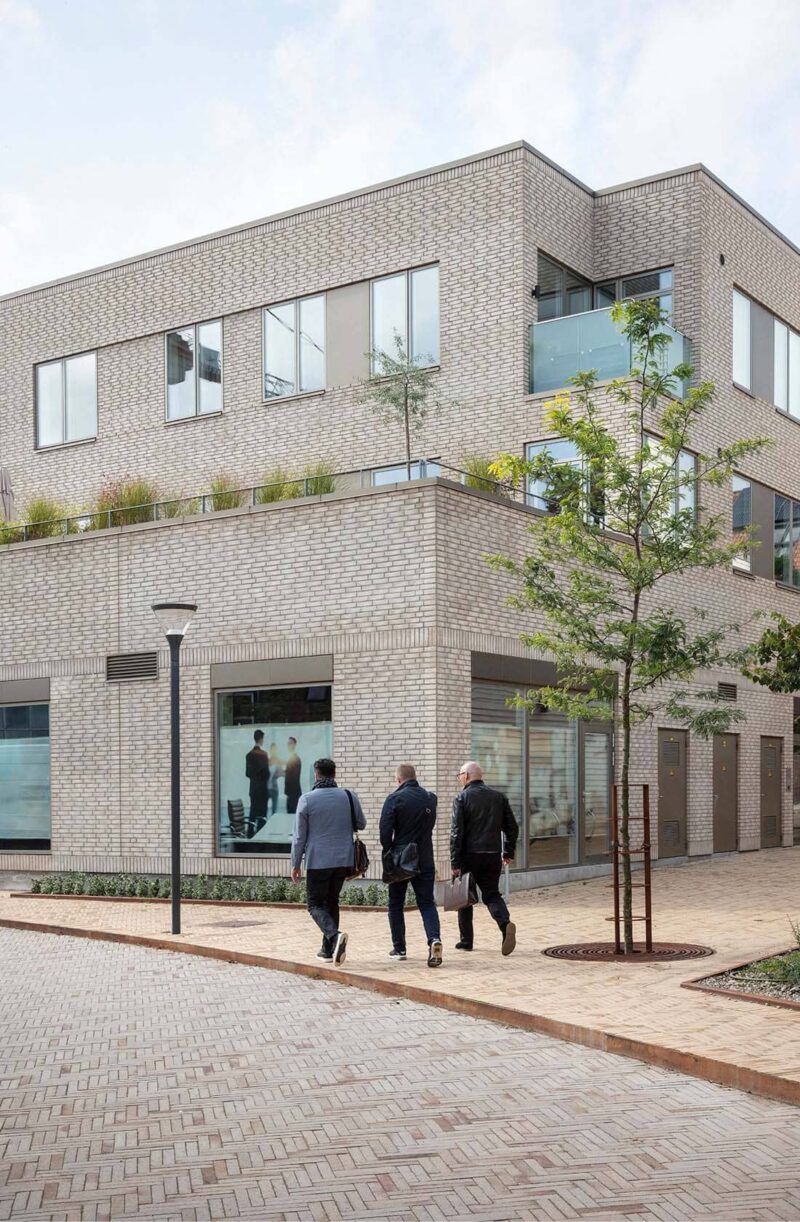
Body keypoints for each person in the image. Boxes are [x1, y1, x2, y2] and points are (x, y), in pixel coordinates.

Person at [291, 757, 365, 965]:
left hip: (318, 860)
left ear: (316, 774)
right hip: (344, 859)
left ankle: (334, 936)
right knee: (332, 901)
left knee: (314, 904)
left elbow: (299, 837)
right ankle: (327, 950)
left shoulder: (306, 799)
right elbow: (361, 823)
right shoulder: (349, 796)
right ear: (334, 774)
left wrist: (295, 863)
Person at [450, 760, 518, 955]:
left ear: (467, 776)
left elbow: (456, 833)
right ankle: (505, 925)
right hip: (492, 855)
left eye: (460, 774)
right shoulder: (498, 797)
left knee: (465, 898)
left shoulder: (461, 798)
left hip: (468, 856)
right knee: (491, 894)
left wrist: (455, 861)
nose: (459, 778)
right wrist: (508, 852)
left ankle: (466, 941)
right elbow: (512, 827)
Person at [379, 763, 443, 968]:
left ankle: (399, 948)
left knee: (396, 903)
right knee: (426, 902)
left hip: (401, 860)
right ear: (414, 777)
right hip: (425, 857)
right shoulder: (430, 798)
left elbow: (384, 832)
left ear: (399, 780)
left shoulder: (395, 799)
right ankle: (434, 939)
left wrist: (390, 851)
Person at [245, 731, 269, 837]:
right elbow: (267, 774)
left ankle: (250, 835)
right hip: (263, 789)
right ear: (261, 739)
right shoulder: (264, 755)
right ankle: (261, 835)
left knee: (253, 812)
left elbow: (247, 773)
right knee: (262, 814)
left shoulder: (249, 755)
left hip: (253, 788)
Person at [284, 736, 302, 814]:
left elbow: (293, 777)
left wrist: (284, 773)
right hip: (291, 793)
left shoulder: (295, 759)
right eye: (288, 744)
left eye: (290, 743)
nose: (289, 745)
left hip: (293, 793)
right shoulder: (291, 758)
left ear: (294, 745)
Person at [268, 741, 282, 817]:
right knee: (264, 809)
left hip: (274, 788)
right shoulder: (267, 760)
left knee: (274, 810)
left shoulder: (277, 761)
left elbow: (282, 773)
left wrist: (277, 774)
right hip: (267, 788)